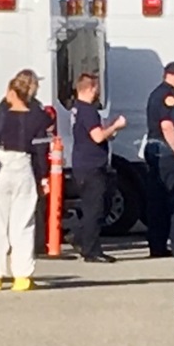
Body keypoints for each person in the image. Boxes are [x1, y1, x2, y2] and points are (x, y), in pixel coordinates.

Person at [0, 71, 52, 292]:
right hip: (25, 166)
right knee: (23, 223)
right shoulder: (39, 117)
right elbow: (41, 150)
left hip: (3, 165)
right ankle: (23, 276)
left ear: (12, 91)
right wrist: (43, 177)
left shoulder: (3, 115)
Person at [70, 73, 126, 263]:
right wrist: (116, 125)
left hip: (83, 164)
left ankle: (79, 237)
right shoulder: (88, 110)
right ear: (91, 88)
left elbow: (97, 134)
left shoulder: (77, 108)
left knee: (95, 206)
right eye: (97, 87)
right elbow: (97, 137)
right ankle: (91, 250)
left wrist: (111, 130)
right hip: (91, 166)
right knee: (95, 209)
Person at [143, 61, 174, 257]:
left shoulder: (155, 93)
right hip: (164, 150)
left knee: (156, 200)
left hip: (152, 148)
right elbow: (167, 125)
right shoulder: (169, 95)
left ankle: (157, 245)